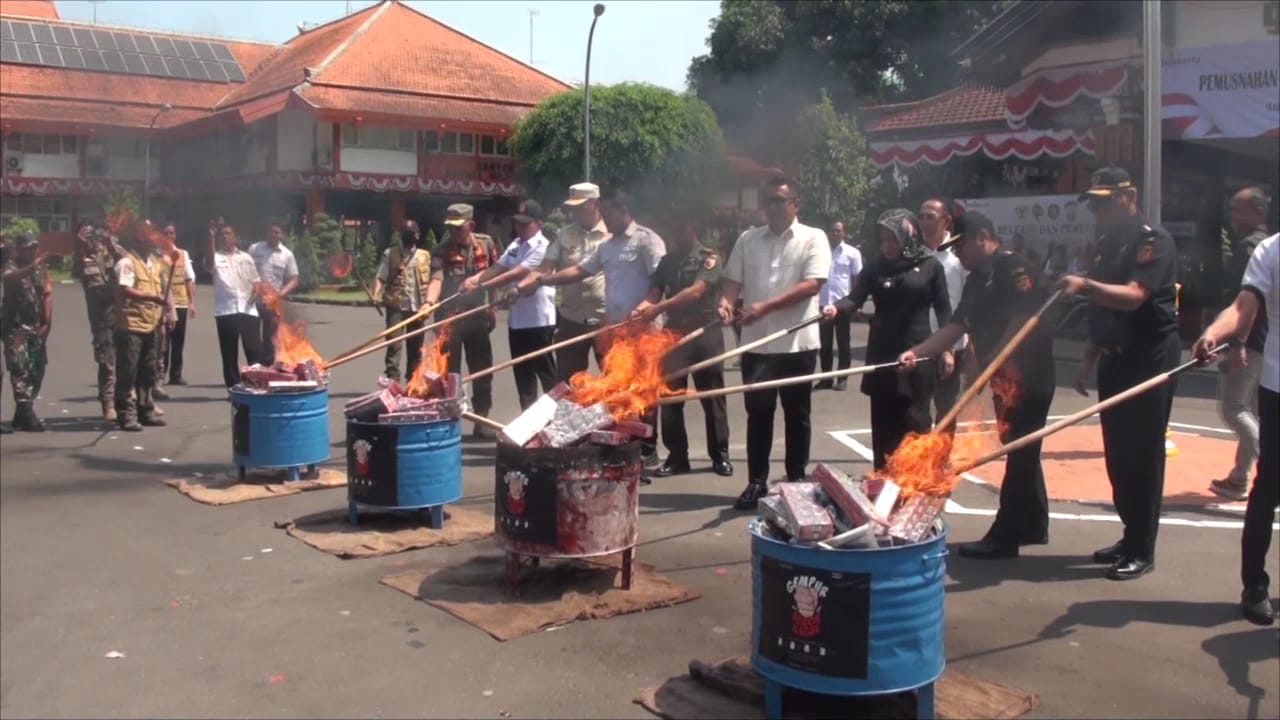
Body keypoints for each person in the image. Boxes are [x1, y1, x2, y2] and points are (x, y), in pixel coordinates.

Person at [900, 211, 1055, 558]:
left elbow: (1024, 319)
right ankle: (1034, 524)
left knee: (1020, 451)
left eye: (962, 247)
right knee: (1020, 448)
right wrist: (917, 352)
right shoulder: (976, 279)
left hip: (1028, 377)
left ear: (983, 237)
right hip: (1001, 379)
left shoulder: (1015, 268)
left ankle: (1005, 536)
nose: (959, 256)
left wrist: (994, 358)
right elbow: (957, 326)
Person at [1057, 167, 1179, 581]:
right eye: (1094, 205)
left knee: (1143, 454)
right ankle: (1130, 534)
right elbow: (1105, 309)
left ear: (1129, 198)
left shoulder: (1153, 241)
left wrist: (1085, 285)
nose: (1099, 212)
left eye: (1105, 204)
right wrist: (1090, 356)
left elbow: (1133, 297)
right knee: (1118, 454)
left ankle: (1142, 548)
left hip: (1149, 359)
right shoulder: (1107, 243)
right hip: (1115, 356)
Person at [519, 189, 666, 463]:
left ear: (623, 211)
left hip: (643, 331)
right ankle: (627, 448)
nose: (605, 220)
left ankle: (648, 449)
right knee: (619, 391)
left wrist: (645, 306)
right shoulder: (607, 247)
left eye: (609, 214)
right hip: (615, 331)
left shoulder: (647, 241)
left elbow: (659, 282)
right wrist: (541, 281)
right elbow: (579, 271)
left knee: (643, 390)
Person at [718, 174, 831, 509]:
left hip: (797, 345)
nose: (772, 207)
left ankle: (795, 482)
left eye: (779, 200)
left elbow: (812, 285)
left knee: (797, 416)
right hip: (756, 346)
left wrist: (764, 307)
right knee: (758, 416)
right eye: (767, 201)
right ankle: (757, 481)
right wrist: (725, 302)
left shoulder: (813, 237)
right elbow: (732, 281)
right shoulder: (748, 239)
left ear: (795, 203)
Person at [1193, 232, 1278, 626]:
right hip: (1278, 387)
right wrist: (1214, 333)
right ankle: (1254, 586)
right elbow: (1244, 305)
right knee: (1270, 485)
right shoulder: (1271, 250)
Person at [632, 220, 733, 478]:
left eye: (681, 227)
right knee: (670, 397)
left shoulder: (709, 258)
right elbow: (654, 292)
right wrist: (642, 308)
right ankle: (677, 456)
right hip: (674, 333)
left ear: (693, 228)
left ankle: (720, 455)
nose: (676, 233)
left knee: (712, 395)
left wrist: (658, 308)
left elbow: (696, 291)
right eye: (673, 228)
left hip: (704, 332)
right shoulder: (667, 261)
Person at [462, 199, 557, 411]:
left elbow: (517, 273)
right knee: (523, 375)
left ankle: (556, 416)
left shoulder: (543, 247)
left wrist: (481, 287)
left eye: (525, 223)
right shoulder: (515, 245)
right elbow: (498, 268)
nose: (519, 227)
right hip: (517, 321)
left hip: (539, 320)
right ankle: (528, 419)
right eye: (517, 222)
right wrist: (474, 280)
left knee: (546, 373)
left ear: (539, 224)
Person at [1209, 187, 1270, 501]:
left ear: (1258, 213)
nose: (1234, 218)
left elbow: (1247, 302)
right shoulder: (1268, 246)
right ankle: (1239, 477)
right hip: (1268, 341)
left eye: (1240, 211)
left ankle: (1266, 467)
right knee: (1254, 412)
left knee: (1234, 408)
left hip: (1252, 339)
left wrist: (1237, 341)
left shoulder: (1251, 248)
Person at [427, 204, 499, 438]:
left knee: (482, 369)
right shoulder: (441, 250)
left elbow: (494, 275)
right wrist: (428, 303)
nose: (454, 232)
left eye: (459, 227)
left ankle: (481, 419)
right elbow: (436, 280)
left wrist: (493, 306)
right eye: (450, 227)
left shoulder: (486, 244)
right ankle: (450, 421)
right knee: (450, 373)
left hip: (477, 316)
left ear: (471, 225)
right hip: (449, 319)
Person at [543, 182, 608, 381]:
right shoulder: (563, 235)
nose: (575, 212)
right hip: (571, 319)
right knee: (568, 381)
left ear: (595, 204)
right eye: (573, 207)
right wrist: (529, 284)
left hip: (606, 320)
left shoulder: (612, 233)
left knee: (615, 380)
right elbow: (545, 268)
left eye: (580, 206)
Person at [114, 225, 168, 431]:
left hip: (150, 326)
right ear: (139, 241)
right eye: (149, 240)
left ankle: (145, 410)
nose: (153, 243)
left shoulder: (154, 264)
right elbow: (125, 289)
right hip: (131, 326)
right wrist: (153, 298)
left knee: (148, 372)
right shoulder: (127, 263)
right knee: (128, 372)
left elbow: (163, 288)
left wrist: (164, 310)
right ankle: (126, 414)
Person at [918, 198, 968, 415]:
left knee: (946, 409)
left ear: (946, 220)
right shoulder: (914, 254)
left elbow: (969, 300)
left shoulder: (959, 255)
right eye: (921, 217)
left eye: (930, 217)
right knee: (917, 409)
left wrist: (954, 347)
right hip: (919, 343)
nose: (925, 222)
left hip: (951, 344)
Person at [71, 220, 125, 421]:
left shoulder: (111, 253)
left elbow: (129, 262)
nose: (91, 240)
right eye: (86, 236)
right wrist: (79, 248)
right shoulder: (84, 260)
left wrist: (110, 243)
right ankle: (108, 403)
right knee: (107, 363)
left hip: (123, 316)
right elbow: (80, 274)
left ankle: (126, 401)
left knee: (127, 361)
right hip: (102, 319)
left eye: (92, 235)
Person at [1, 233, 52, 432]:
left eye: (34, 247)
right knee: (20, 370)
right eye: (28, 247)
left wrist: (46, 321)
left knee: (37, 369)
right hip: (16, 328)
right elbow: (8, 278)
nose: (32, 251)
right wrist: (32, 266)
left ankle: (22, 413)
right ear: (19, 248)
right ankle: (26, 412)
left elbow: (46, 294)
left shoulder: (39, 269)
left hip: (34, 326)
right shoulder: (10, 265)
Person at [205, 220, 264, 388]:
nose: (224, 237)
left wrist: (256, 291)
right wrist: (211, 238)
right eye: (221, 235)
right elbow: (209, 265)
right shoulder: (216, 257)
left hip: (248, 310)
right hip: (226, 311)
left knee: (254, 351)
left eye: (227, 234)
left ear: (235, 237)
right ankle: (233, 387)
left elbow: (256, 280)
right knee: (229, 354)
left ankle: (255, 385)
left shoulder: (246, 258)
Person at [371, 221, 432, 383]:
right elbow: (380, 277)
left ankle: (413, 382)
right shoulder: (390, 254)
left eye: (411, 233)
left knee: (416, 348)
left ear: (417, 236)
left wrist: (429, 303)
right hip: (395, 307)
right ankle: (393, 380)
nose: (409, 236)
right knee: (394, 345)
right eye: (406, 233)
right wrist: (375, 294)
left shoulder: (425, 256)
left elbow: (434, 281)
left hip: (417, 309)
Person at [815, 221, 862, 391]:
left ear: (844, 233)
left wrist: (857, 303)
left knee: (843, 344)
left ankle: (842, 378)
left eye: (838, 231)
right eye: (832, 230)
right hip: (823, 304)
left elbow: (857, 278)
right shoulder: (820, 251)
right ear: (828, 232)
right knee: (825, 345)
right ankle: (826, 378)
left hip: (843, 305)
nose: (835, 233)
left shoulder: (852, 253)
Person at [248, 221, 299, 365]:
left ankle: (267, 367)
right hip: (253, 300)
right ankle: (253, 367)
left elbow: (294, 279)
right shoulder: (255, 249)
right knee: (251, 337)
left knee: (270, 340)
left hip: (273, 303)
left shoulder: (287, 255)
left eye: (277, 232)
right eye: (271, 232)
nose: (274, 235)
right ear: (267, 233)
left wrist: (279, 294)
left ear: (282, 235)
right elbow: (245, 268)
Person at [161, 223, 196, 386]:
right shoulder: (156, 254)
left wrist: (192, 303)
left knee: (178, 341)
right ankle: (160, 373)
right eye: (165, 233)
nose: (168, 236)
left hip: (180, 303)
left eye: (171, 233)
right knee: (163, 341)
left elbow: (189, 279)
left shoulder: (183, 254)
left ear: (175, 236)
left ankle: (176, 374)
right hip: (162, 303)